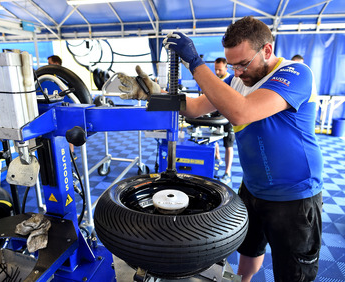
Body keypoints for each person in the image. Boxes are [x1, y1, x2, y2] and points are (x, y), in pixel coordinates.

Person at [119, 16, 323, 282]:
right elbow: (194, 106)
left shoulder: (296, 74)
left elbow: (242, 112)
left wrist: (195, 62)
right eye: (232, 65)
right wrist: (154, 94)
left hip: (294, 195)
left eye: (243, 64)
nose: (237, 72)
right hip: (253, 188)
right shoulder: (238, 80)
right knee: (248, 252)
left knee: (293, 273)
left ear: (267, 50)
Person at [213, 57, 234, 184]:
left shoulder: (232, 81)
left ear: (226, 68)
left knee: (228, 145)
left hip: (228, 117)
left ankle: (227, 172)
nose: (217, 72)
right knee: (213, 139)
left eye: (219, 70)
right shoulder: (215, 80)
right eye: (215, 69)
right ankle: (218, 158)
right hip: (215, 115)